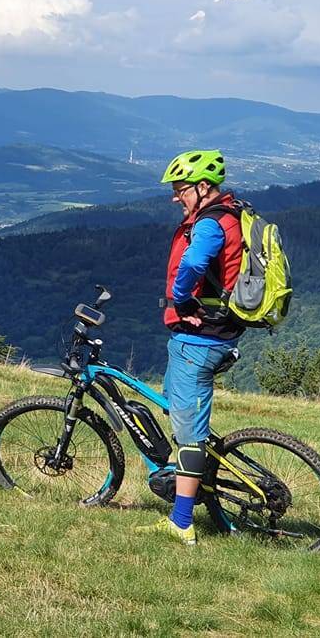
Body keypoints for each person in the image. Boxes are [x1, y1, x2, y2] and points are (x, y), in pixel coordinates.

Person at [135, 149, 243, 546]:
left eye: (181, 189)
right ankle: (191, 471)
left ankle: (182, 522)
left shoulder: (211, 223)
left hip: (200, 341)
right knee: (175, 406)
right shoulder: (230, 213)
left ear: (202, 187)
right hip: (211, 336)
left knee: (189, 437)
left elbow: (195, 264)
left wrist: (181, 300)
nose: (175, 196)